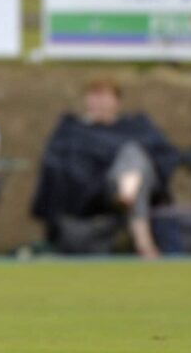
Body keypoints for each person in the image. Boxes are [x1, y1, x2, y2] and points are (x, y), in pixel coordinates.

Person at [31, 76, 178, 259]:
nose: (100, 102)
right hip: (99, 190)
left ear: (117, 100)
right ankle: (144, 242)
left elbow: (162, 154)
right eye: (95, 96)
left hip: (142, 184)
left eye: (105, 96)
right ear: (87, 99)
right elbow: (60, 165)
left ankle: (128, 192)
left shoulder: (135, 126)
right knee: (133, 166)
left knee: (134, 156)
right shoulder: (73, 129)